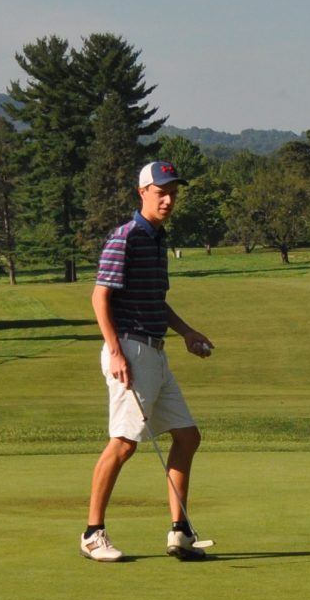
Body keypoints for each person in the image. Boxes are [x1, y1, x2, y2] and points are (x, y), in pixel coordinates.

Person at [82, 161, 215, 562]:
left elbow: (156, 300)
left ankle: (180, 532)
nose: (169, 199)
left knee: (187, 436)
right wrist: (116, 352)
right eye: (161, 192)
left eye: (173, 192)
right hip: (130, 351)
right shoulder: (126, 237)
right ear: (143, 193)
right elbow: (99, 297)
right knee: (123, 444)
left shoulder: (157, 239)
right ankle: (92, 533)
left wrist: (186, 332)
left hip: (155, 351)